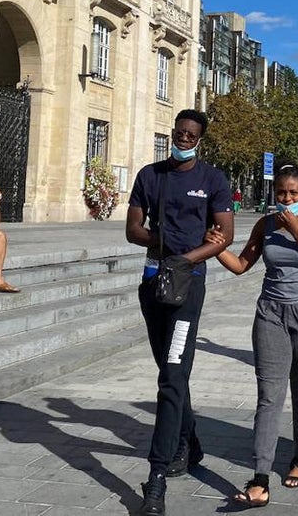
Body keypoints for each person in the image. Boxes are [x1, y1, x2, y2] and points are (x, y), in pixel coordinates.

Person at [125, 109, 234, 516]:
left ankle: (155, 478)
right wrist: (164, 243)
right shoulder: (150, 175)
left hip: (188, 286)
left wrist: (187, 258)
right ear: (172, 134)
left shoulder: (212, 180)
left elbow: (226, 236)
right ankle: (191, 443)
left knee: (172, 375)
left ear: (200, 139)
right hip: (154, 283)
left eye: (191, 135)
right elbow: (133, 229)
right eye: (179, 133)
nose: (184, 139)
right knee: (170, 371)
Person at [206, 164, 298, 507]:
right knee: (268, 393)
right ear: (274, 194)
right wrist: (216, 248)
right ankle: (260, 476)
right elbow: (241, 264)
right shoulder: (265, 225)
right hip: (270, 313)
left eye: (293, 193)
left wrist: (297, 230)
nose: (287, 199)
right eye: (281, 193)